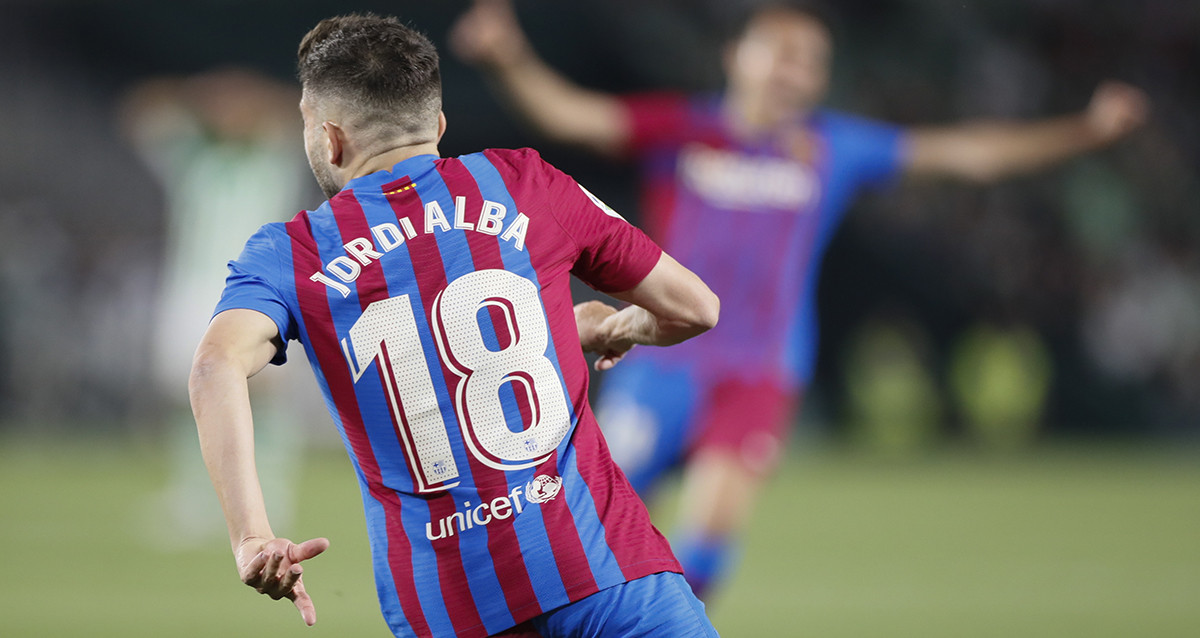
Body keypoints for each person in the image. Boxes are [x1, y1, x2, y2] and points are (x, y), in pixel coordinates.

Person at [451, 0, 1150, 597]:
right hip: (660, 361)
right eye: (780, 53)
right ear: (736, 57)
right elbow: (571, 117)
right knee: (589, 529)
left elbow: (969, 154)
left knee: (706, 543)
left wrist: (1086, 131)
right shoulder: (683, 131)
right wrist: (508, 57)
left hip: (759, 370)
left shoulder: (831, 147)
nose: (795, 71)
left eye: (810, 60)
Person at [189, 13, 721, 638]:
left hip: (451, 610)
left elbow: (214, 366)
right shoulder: (526, 182)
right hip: (609, 576)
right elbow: (695, 308)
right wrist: (617, 328)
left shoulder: (294, 252)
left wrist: (252, 536)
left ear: (329, 138)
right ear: (438, 124)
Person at [122, 69, 317, 547]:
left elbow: (304, 112)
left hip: (257, 287)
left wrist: (253, 95)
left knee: (266, 395)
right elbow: (140, 109)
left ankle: (274, 492)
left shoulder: (274, 156)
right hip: (190, 290)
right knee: (191, 394)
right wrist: (201, 94)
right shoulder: (192, 156)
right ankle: (197, 497)